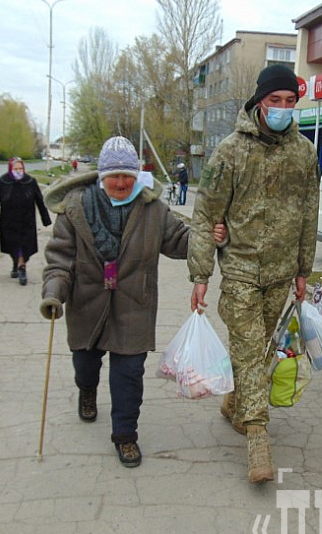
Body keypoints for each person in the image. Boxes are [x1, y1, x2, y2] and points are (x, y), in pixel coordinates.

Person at [39, 136, 226, 468]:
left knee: (128, 375)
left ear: (138, 174)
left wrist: (207, 236)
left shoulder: (152, 209)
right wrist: (54, 292)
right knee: (85, 365)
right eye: (115, 175)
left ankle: (125, 436)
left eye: (128, 175)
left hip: (133, 305)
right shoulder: (76, 208)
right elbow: (60, 259)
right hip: (87, 303)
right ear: (102, 176)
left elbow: (179, 241)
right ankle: (87, 390)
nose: (122, 182)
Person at [188, 64, 320, 484]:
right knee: (248, 350)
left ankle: (233, 404)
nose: (282, 108)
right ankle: (258, 438)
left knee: (259, 354)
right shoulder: (230, 150)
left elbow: (308, 214)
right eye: (274, 100)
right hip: (241, 271)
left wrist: (303, 269)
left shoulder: (304, 152)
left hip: (280, 275)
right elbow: (206, 213)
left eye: (289, 102)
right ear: (259, 103)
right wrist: (201, 273)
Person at [0, 157, 51, 286]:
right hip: (9, 222)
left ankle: (22, 268)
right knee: (13, 246)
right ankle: (16, 263)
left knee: (24, 246)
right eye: (16, 169)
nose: (18, 171)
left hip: (27, 222)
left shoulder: (30, 182)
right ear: (10, 169)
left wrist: (45, 219)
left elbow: (39, 201)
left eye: (20, 168)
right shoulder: (2, 182)